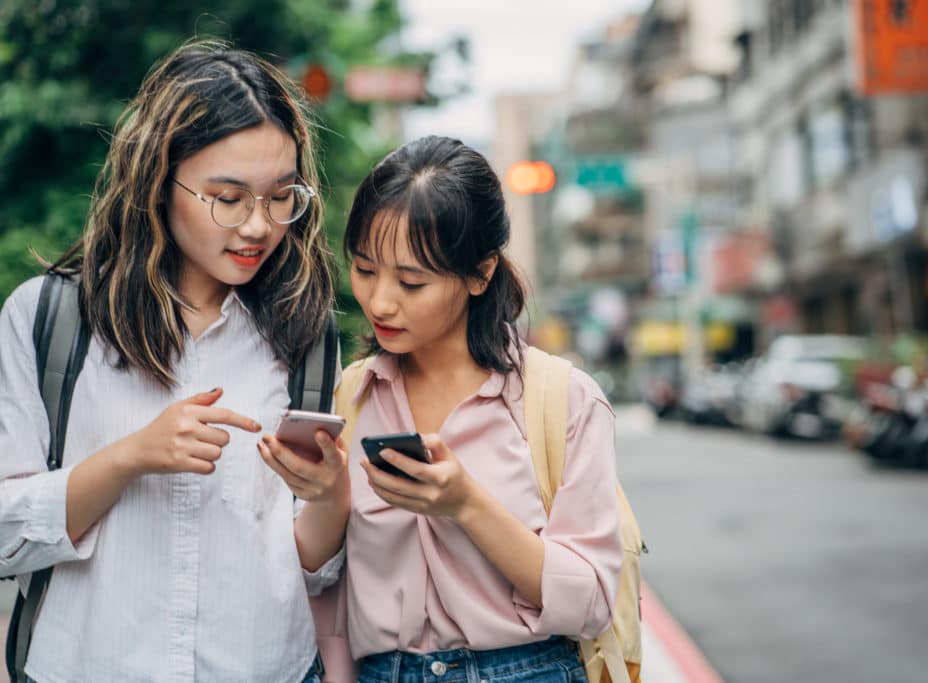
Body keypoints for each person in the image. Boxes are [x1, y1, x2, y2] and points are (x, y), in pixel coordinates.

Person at [0, 41, 351, 682]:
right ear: (159, 181)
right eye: (228, 196)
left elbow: (308, 567)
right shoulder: (49, 320)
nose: (258, 226)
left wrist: (330, 498)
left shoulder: (306, 332)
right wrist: (130, 457)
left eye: (281, 197)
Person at [331, 135, 622, 682]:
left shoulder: (562, 400)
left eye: (411, 281)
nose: (379, 301)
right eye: (365, 270)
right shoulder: (351, 396)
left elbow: (592, 602)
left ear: (480, 273)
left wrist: (466, 505)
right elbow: (328, 591)